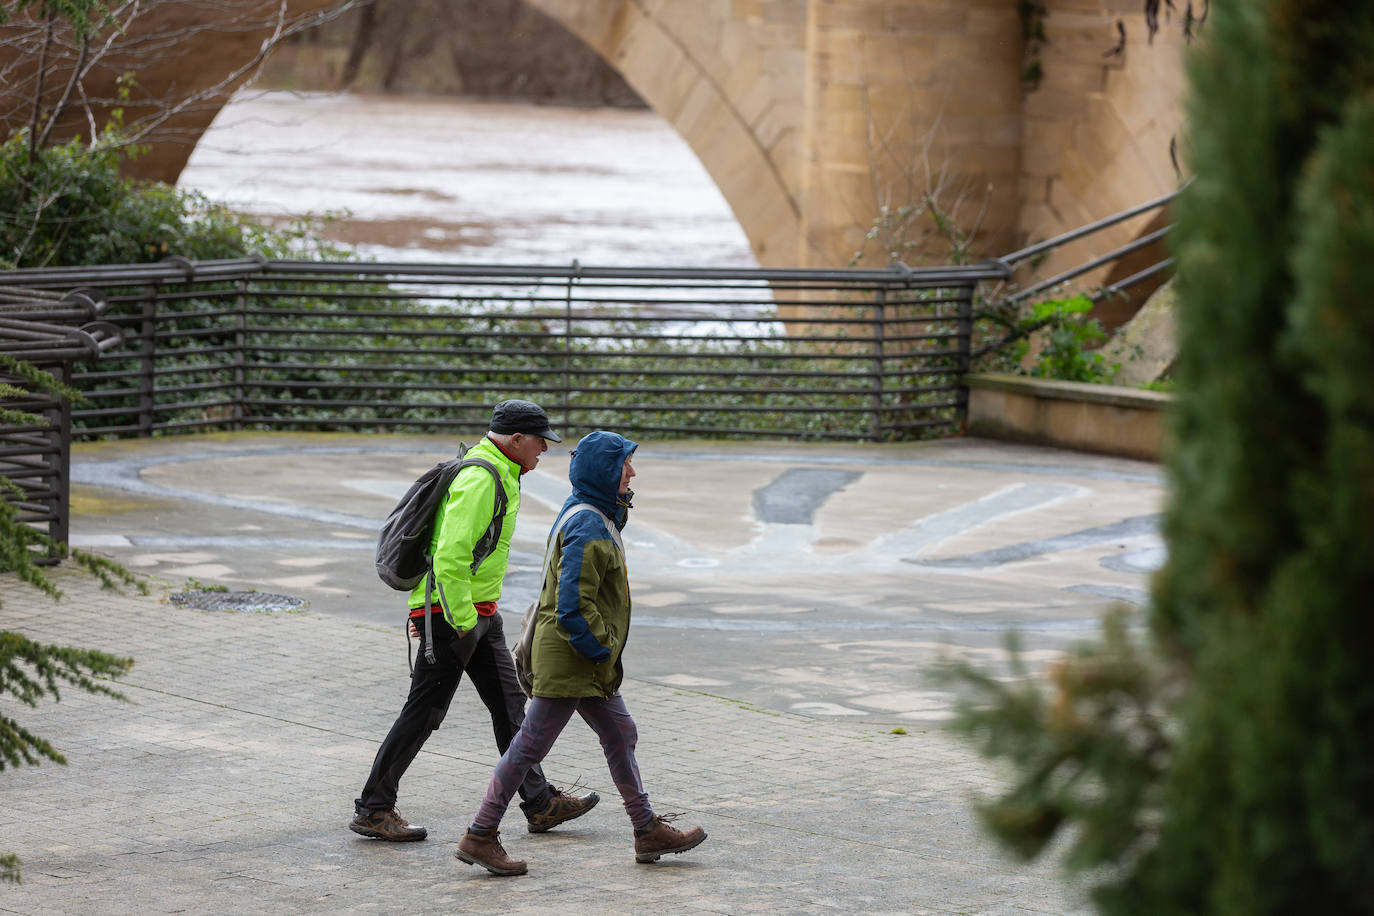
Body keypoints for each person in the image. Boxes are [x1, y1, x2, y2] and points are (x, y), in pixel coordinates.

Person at [454, 430, 707, 875]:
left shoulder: (591, 512)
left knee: (620, 734)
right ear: (604, 471)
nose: (632, 471)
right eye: (625, 464)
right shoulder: (587, 521)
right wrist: (600, 650)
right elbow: (572, 604)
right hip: (574, 657)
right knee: (528, 747)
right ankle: (480, 834)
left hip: (583, 659)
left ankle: (646, 828)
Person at [349, 399, 599, 841]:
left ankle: (539, 803)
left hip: (480, 613)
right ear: (516, 439)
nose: (544, 449)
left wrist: (477, 617)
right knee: (423, 713)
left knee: (509, 707)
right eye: (540, 441)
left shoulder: (503, 471)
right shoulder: (481, 477)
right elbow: (449, 556)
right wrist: (462, 621)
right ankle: (373, 809)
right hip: (452, 615)